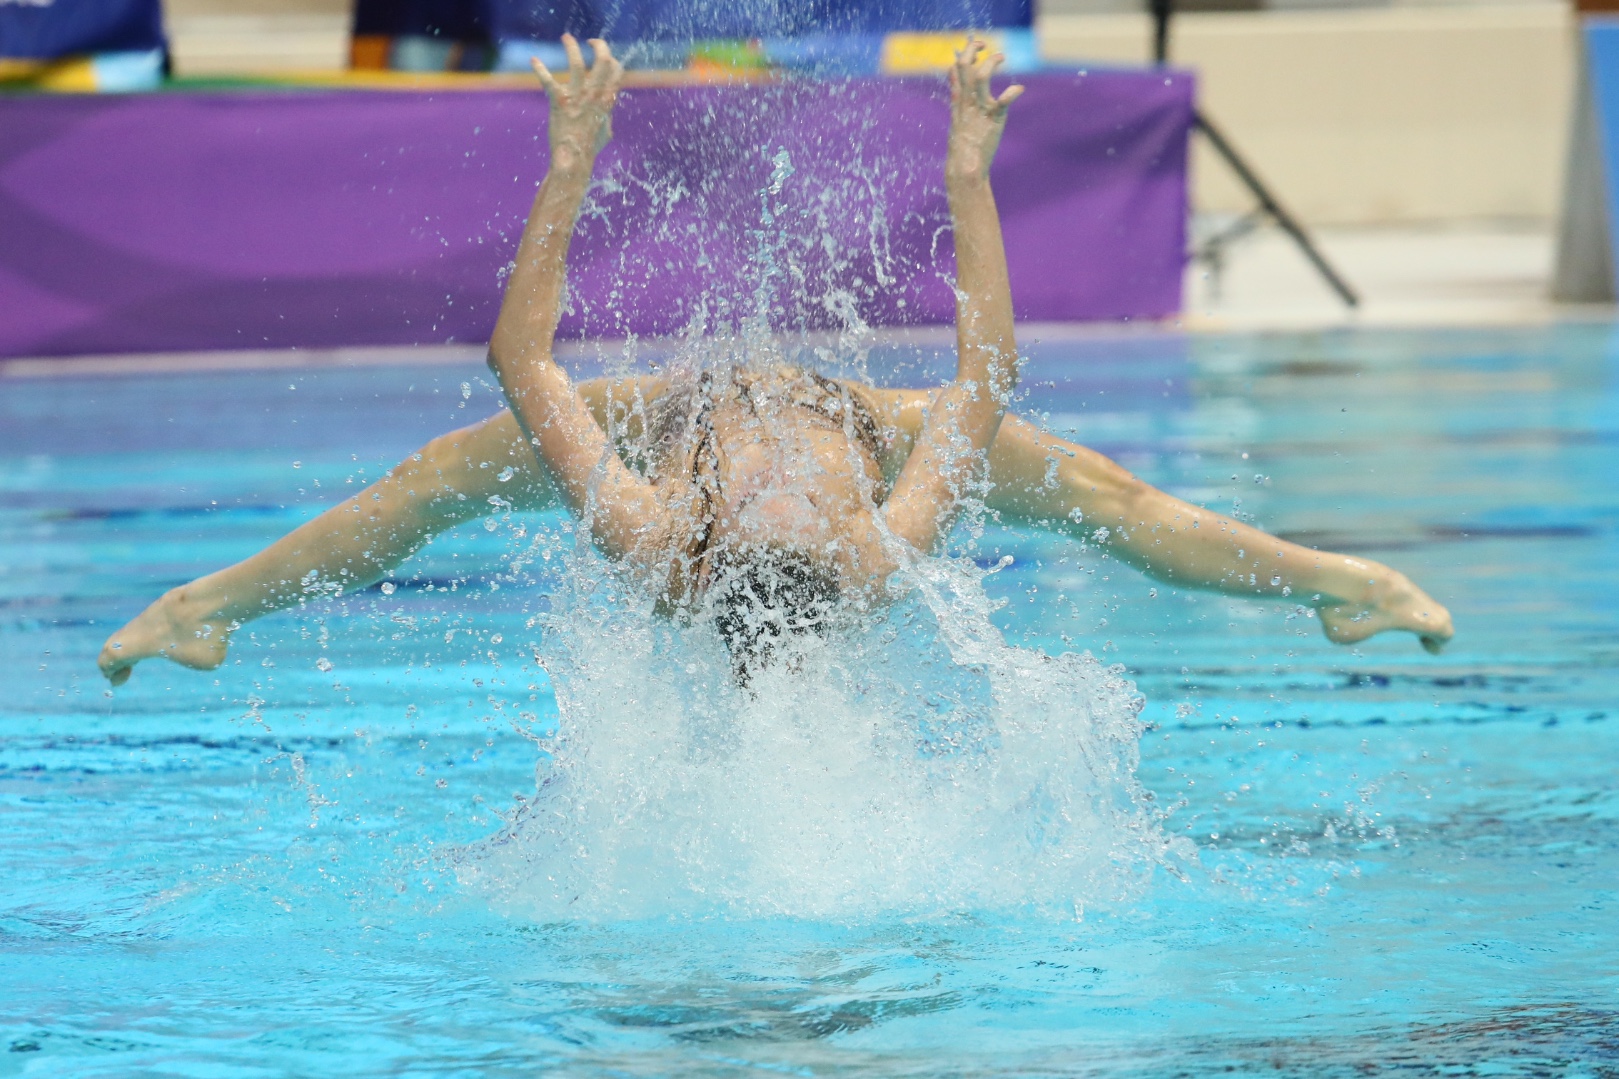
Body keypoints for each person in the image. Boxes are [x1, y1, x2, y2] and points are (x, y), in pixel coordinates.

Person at [97, 36, 1452, 686]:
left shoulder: (652, 522)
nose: (796, 493)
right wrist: (967, 174)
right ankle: (1342, 584)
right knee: (1115, 501)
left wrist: (569, 163)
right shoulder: (872, 534)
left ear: (716, 518)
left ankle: (202, 607)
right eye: (813, 505)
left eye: (778, 501)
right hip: (881, 410)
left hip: (656, 413)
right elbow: (983, 381)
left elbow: (522, 361)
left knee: (424, 486)